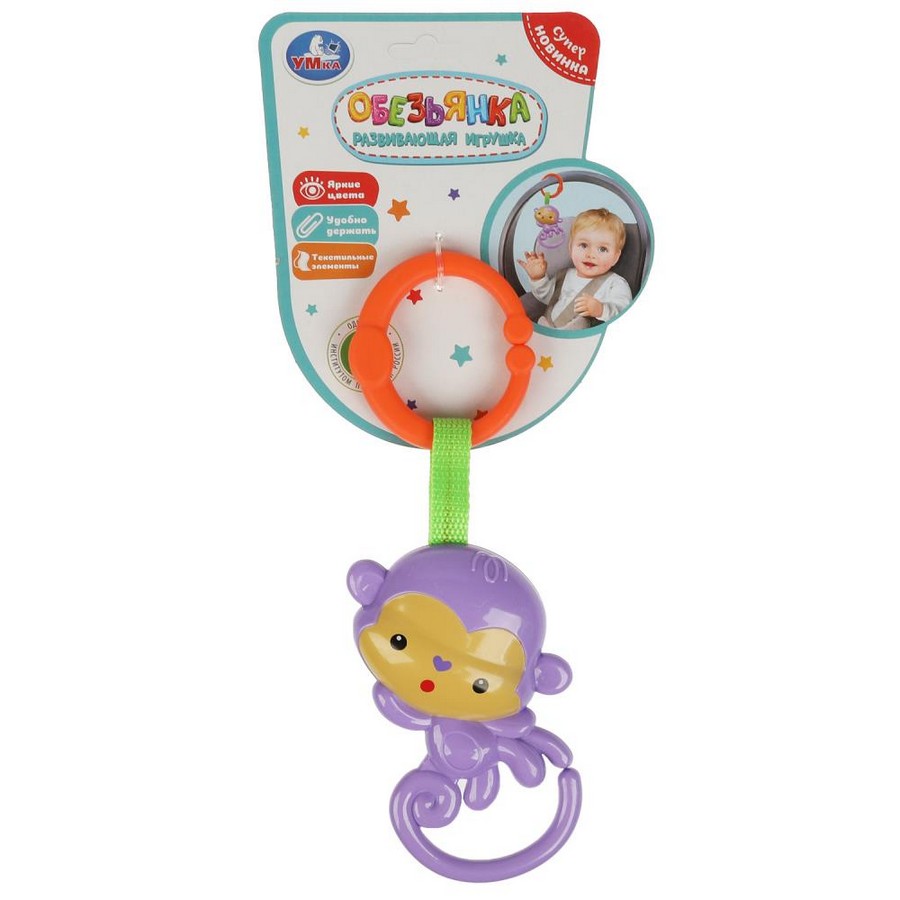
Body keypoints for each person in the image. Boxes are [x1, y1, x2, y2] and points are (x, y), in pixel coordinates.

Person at [517, 208, 632, 330]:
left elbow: (624, 311)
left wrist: (601, 310)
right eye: (583, 245)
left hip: (584, 337)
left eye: (602, 249)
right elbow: (547, 297)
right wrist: (538, 278)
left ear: (615, 257)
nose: (590, 254)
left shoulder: (615, 284)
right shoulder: (564, 275)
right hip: (547, 329)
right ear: (571, 248)